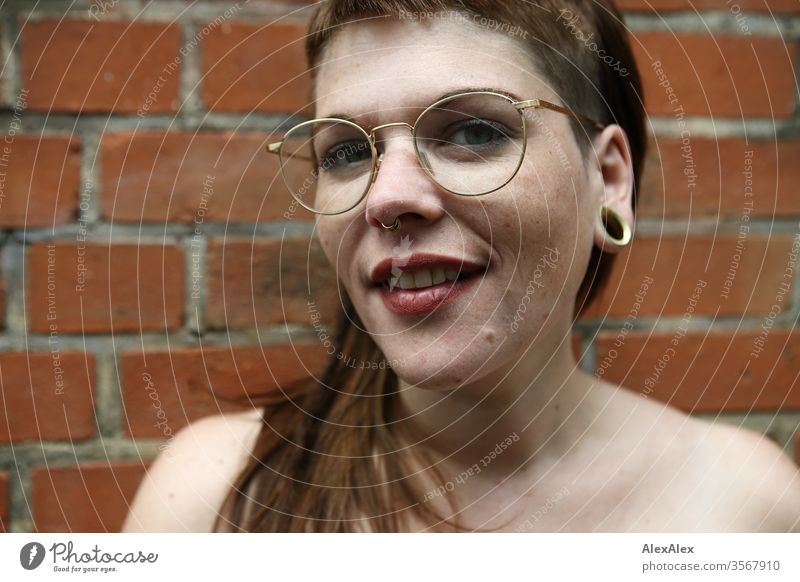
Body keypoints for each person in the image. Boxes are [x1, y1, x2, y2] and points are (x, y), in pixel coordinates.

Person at [122, 0, 800, 533]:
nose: (387, 198)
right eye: (346, 152)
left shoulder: (745, 510)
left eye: (474, 131)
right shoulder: (213, 504)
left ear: (609, 179)